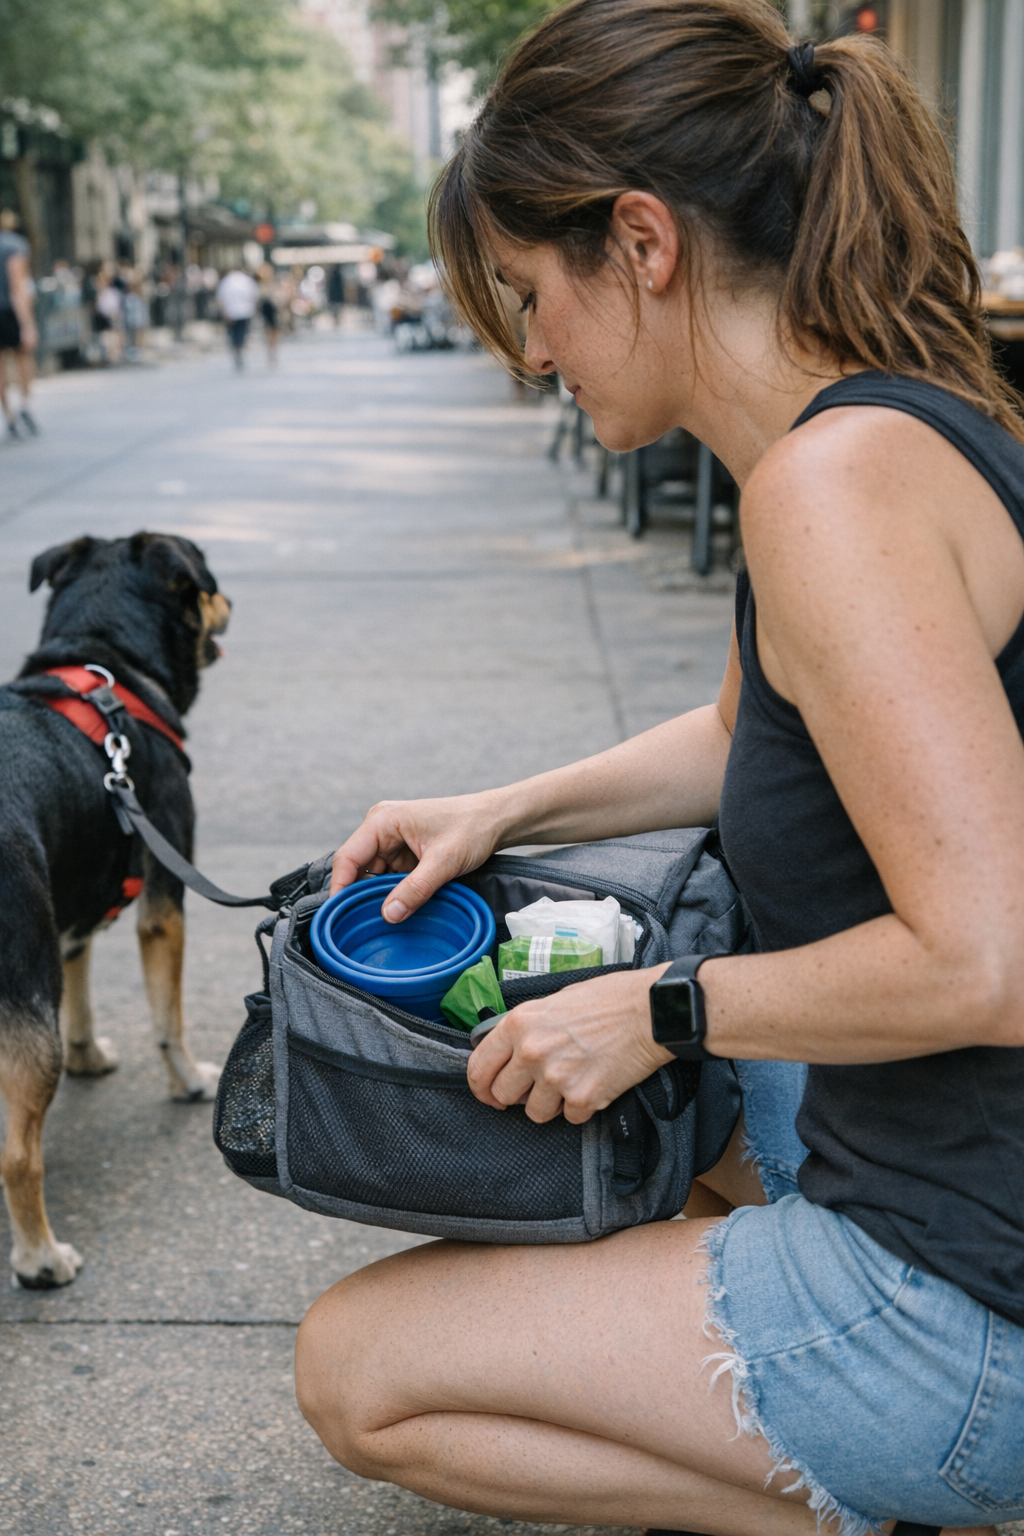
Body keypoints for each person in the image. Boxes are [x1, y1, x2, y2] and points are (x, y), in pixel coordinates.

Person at [294, 3, 1024, 1533]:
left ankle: (886, 1487)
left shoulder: (828, 496)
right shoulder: (871, 434)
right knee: (656, 1144)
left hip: (975, 1292)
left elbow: (989, 958)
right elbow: (751, 731)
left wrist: (661, 1010)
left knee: (359, 1371)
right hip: (956, 1159)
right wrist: (507, 806)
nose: (533, 350)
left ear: (643, 240)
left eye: (532, 294)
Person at [0, 208, 39, 440]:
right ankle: (24, 405)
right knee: (23, 357)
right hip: (9, 311)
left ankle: (8, 416)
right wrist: (27, 325)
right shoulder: (15, 245)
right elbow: (18, 287)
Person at [216, 267, 259, 369]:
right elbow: (254, 296)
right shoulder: (247, 281)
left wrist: (224, 312)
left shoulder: (225, 282)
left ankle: (237, 352)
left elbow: (220, 298)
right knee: (242, 334)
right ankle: (239, 351)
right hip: (244, 312)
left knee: (234, 335)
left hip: (231, 312)